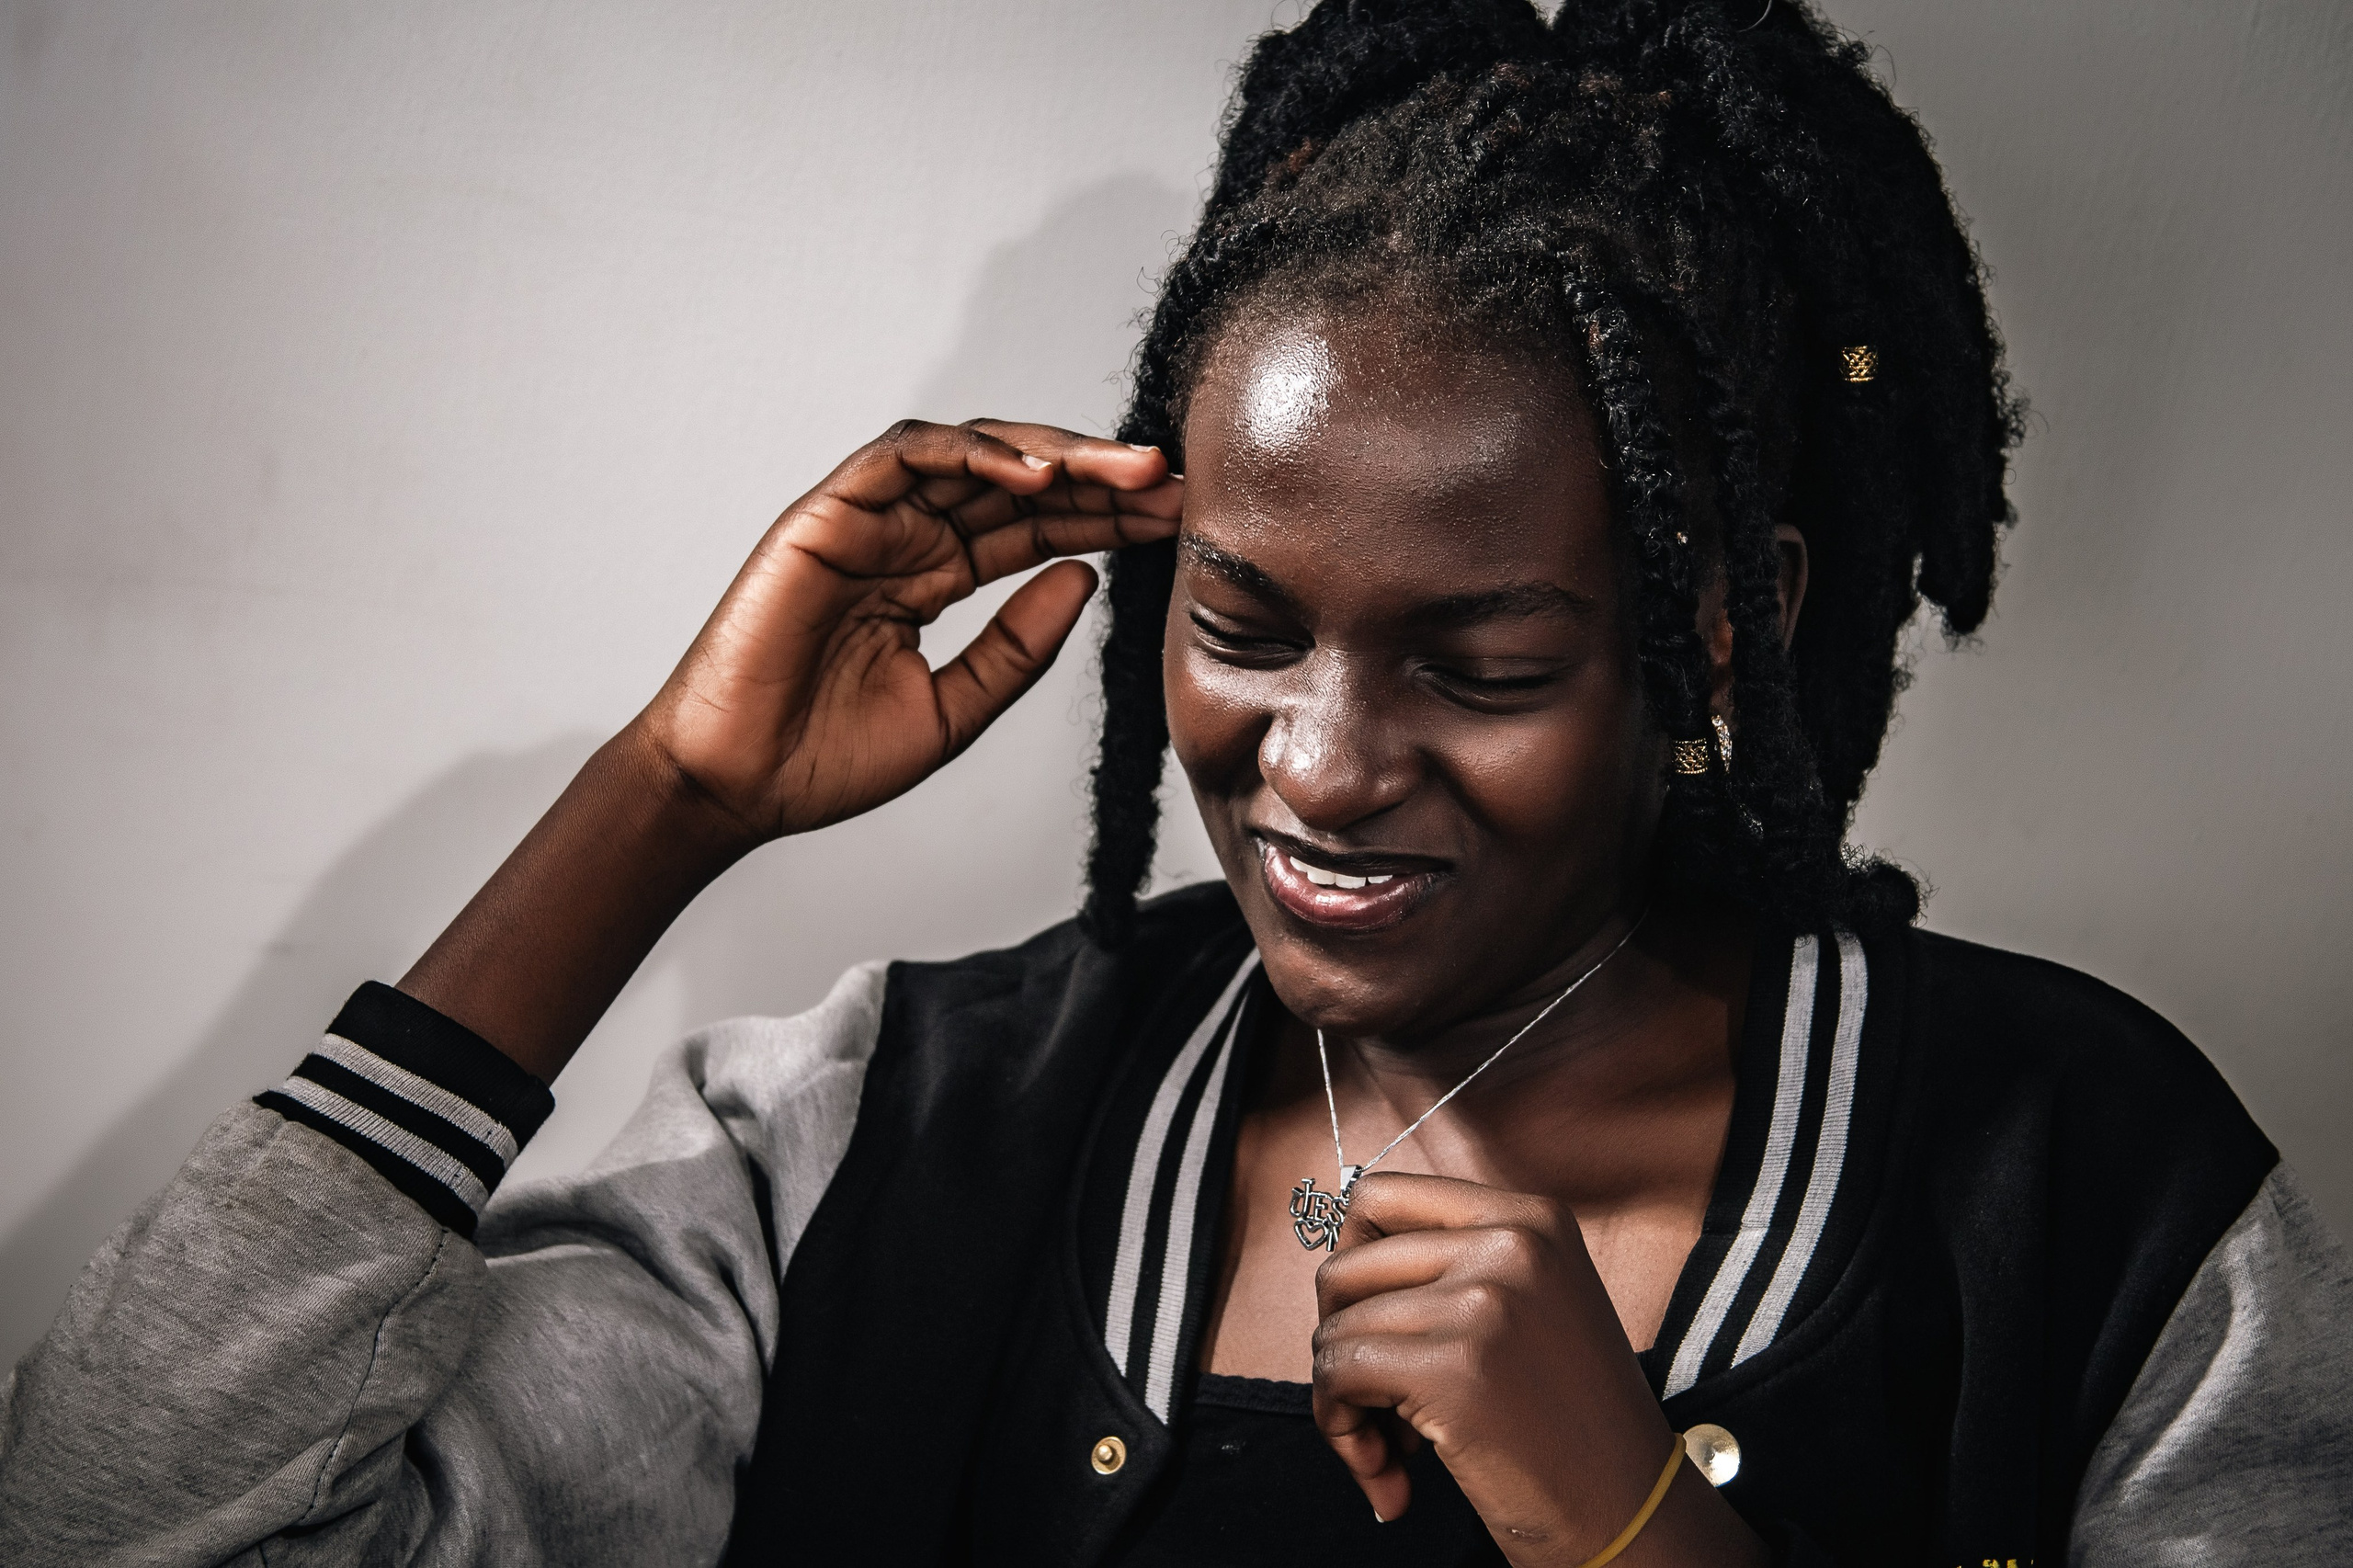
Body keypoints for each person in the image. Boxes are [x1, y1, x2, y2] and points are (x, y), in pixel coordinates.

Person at [2, 1, 2346, 1563]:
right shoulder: (886, 1139)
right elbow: (125, 1520)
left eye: (1481, 662)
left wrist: (1627, 1518)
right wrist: (668, 801)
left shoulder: (2090, 1195)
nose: (1316, 762)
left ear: (1715, 629)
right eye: (1240, 626)